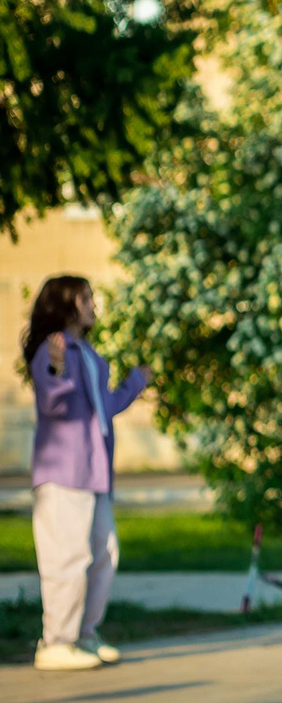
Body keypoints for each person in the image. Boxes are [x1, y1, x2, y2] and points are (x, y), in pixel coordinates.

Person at [23, 275, 150, 672]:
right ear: (67, 304)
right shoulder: (54, 348)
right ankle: (56, 642)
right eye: (87, 298)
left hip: (94, 473)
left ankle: (84, 634)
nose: (94, 305)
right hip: (63, 471)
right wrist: (57, 369)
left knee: (103, 553)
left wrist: (135, 384)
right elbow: (51, 400)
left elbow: (104, 408)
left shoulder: (90, 354)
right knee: (67, 556)